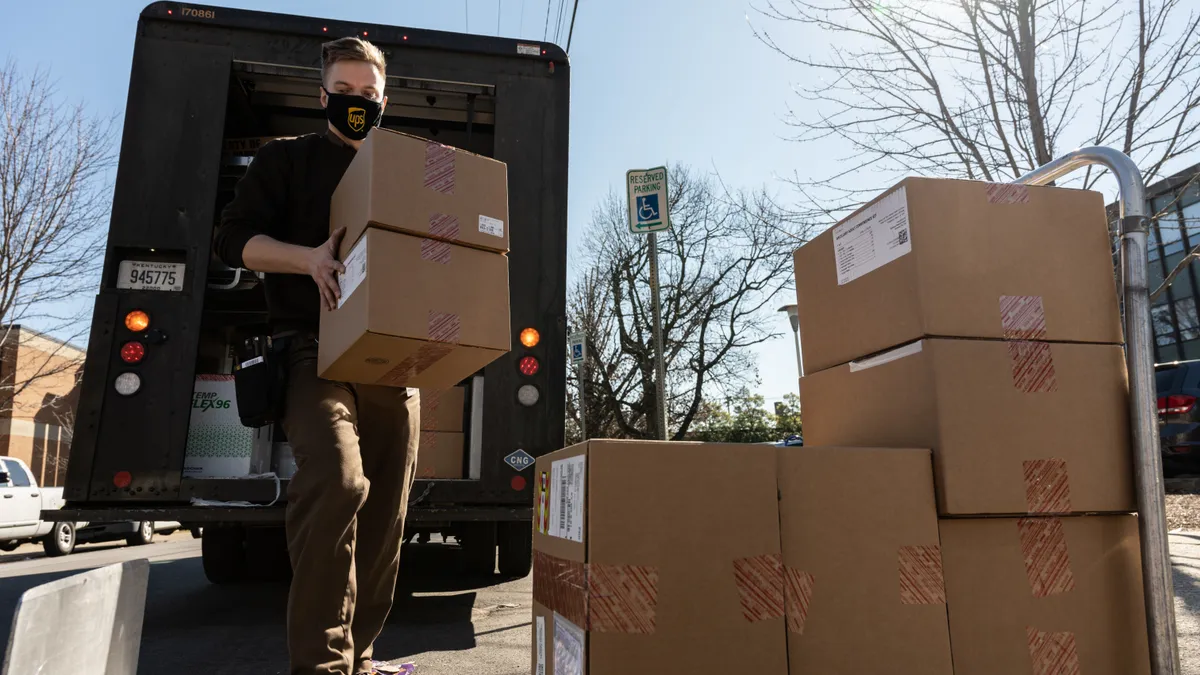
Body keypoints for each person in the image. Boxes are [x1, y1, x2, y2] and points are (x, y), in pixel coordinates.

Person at [214, 37, 419, 675]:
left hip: (393, 363)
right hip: (311, 352)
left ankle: (361, 655)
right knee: (338, 480)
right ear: (322, 94)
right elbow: (233, 241)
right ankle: (321, 666)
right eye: (345, 92)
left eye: (369, 95)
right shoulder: (287, 161)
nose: (357, 103)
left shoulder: (404, 169)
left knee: (386, 510)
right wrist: (307, 260)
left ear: (384, 99)